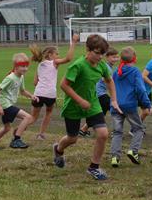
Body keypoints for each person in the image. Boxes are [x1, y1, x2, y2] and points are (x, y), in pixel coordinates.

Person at [53, 34, 121, 180]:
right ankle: (58, 149)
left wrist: (114, 100)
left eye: (102, 54)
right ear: (87, 49)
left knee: (103, 134)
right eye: (97, 53)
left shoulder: (102, 65)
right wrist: (79, 101)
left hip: (92, 103)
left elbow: (109, 81)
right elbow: (64, 85)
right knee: (72, 138)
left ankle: (94, 167)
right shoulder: (77, 65)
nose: (99, 57)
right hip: (73, 105)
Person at [28, 34, 79, 140]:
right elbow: (68, 58)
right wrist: (73, 42)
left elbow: (35, 82)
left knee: (33, 117)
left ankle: (19, 131)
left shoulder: (39, 65)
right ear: (50, 55)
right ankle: (41, 134)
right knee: (48, 112)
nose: (58, 56)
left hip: (38, 93)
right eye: (56, 54)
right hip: (50, 94)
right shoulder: (54, 62)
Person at [0, 53, 38, 150]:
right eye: (22, 66)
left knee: (6, 128)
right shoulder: (10, 78)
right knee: (28, 117)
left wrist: (32, 96)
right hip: (5, 104)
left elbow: (22, 91)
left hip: (7, 104)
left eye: (26, 66)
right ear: (16, 67)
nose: (25, 68)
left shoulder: (21, 77)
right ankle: (16, 140)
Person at [79, 48, 119, 137]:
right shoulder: (106, 67)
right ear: (107, 57)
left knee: (99, 114)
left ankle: (83, 130)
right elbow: (106, 80)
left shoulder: (109, 67)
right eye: (113, 57)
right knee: (116, 111)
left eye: (117, 57)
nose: (115, 59)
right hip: (100, 94)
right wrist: (113, 93)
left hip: (99, 94)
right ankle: (116, 132)